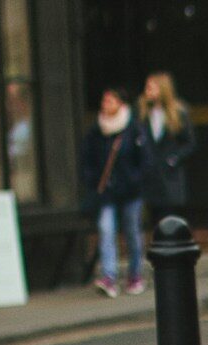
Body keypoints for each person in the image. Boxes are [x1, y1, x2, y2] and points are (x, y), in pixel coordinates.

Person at [79, 88, 147, 298]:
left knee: (132, 231)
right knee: (106, 229)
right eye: (104, 100)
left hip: (130, 190)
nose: (105, 104)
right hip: (107, 191)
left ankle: (135, 274)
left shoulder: (133, 129)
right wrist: (92, 180)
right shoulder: (95, 132)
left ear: (121, 103)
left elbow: (144, 159)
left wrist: (136, 180)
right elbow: (87, 160)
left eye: (110, 100)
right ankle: (109, 276)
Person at [138, 72, 197, 230]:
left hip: (170, 175)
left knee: (170, 221)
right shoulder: (143, 114)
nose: (147, 91)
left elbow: (190, 143)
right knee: (154, 223)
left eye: (151, 87)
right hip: (150, 177)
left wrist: (174, 159)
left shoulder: (178, 113)